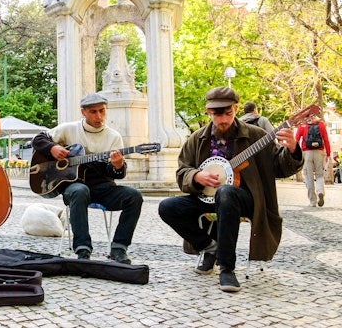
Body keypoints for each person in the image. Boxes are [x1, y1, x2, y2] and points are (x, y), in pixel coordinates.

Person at [158, 87, 303, 292]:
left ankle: (227, 267)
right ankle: (209, 246)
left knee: (226, 193)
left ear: (235, 109)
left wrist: (292, 149)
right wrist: (196, 176)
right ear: (208, 112)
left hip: (246, 197)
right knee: (167, 207)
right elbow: (183, 172)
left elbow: (280, 167)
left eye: (228, 113)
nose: (223, 119)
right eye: (218, 114)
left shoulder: (256, 136)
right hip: (208, 197)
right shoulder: (197, 139)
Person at [31, 93, 143, 264]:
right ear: (83, 112)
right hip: (73, 186)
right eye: (93, 112)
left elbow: (116, 174)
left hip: (103, 187)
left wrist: (118, 166)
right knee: (80, 190)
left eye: (102, 111)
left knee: (134, 196)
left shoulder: (113, 137)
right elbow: (38, 139)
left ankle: (119, 247)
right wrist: (52, 148)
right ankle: (83, 249)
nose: (99, 116)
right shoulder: (68, 129)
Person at [295, 117, 331, 207]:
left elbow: (296, 139)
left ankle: (313, 201)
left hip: (307, 153)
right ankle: (320, 191)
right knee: (319, 175)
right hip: (319, 152)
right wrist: (328, 154)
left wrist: (296, 153)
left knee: (308, 177)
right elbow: (326, 139)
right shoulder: (321, 124)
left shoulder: (302, 125)